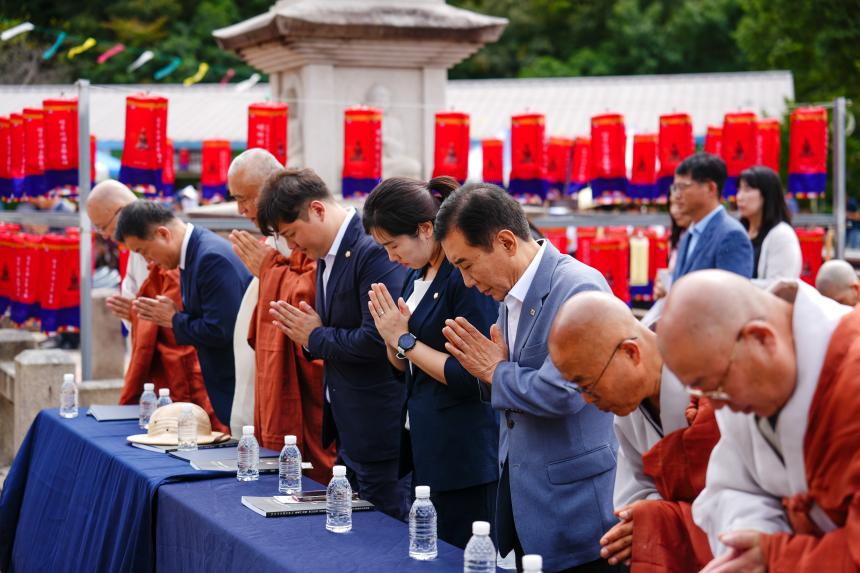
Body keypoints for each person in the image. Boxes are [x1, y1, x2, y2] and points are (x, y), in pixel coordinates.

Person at [435, 182, 619, 573]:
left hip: (576, 513)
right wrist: (493, 373)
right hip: (528, 504)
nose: (467, 283)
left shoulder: (576, 287)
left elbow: (567, 392)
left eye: (467, 265)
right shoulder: (510, 294)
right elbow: (510, 382)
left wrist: (494, 371)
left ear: (505, 242)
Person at [658, 270, 860, 572]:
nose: (714, 405)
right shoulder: (738, 376)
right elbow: (731, 489)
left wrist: (776, 556)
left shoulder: (851, 372)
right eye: (702, 391)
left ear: (761, 338)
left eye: (717, 386)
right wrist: (751, 544)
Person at [258, 168, 409, 519]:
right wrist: (312, 337)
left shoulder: (370, 249)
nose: (294, 247)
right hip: (348, 428)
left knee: (384, 532)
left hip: (379, 429)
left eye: (292, 234)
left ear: (317, 210)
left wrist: (315, 336)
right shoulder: (325, 256)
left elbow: (379, 339)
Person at [361, 176, 499, 548]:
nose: (391, 258)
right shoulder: (417, 276)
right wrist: (391, 337)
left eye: (393, 245)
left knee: (461, 552)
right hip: (425, 442)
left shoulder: (463, 277)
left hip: (464, 451)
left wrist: (404, 340)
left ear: (425, 229)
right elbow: (401, 366)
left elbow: (473, 374)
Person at [548, 291, 719, 571]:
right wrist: (649, 519)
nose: (588, 400)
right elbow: (633, 498)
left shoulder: (713, 383)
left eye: (588, 385)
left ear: (631, 353)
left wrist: (662, 520)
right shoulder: (628, 406)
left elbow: (747, 501)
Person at [226, 149, 334, 482]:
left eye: (245, 198)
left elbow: (311, 292)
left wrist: (270, 268)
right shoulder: (274, 235)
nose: (241, 209)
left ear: (272, 186)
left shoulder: (311, 228)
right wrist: (271, 268)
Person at [114, 201, 251, 427]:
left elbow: (220, 330)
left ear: (163, 233)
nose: (148, 261)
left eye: (144, 252)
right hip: (224, 384)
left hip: (237, 385)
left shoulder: (209, 257)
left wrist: (173, 319)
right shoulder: (192, 254)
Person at [670, 153, 754, 281]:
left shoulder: (731, 235)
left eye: (682, 187)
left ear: (710, 188)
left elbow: (734, 295)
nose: (676, 195)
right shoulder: (689, 234)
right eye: (675, 188)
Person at [86, 180, 148, 332]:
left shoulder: (165, 247)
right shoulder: (133, 250)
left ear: (121, 211)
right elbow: (129, 302)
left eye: (104, 227)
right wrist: (132, 314)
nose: (106, 235)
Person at [736, 165, 801, 283]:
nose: (739, 197)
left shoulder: (782, 235)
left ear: (767, 194)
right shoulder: (737, 231)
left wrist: (735, 287)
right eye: (739, 189)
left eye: (747, 189)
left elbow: (780, 285)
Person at [653, 186, 692, 299]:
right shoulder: (676, 236)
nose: (674, 211)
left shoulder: (699, 237)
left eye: (679, 205)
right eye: (671, 204)